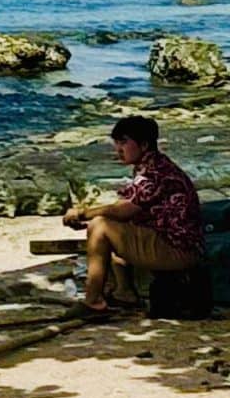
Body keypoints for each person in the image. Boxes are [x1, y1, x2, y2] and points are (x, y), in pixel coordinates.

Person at [65, 115, 206, 317]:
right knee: (105, 224)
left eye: (123, 142)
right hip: (173, 243)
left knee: (101, 226)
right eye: (116, 143)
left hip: (179, 251)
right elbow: (126, 212)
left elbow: (122, 210)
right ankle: (124, 292)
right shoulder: (152, 166)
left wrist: (82, 213)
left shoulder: (155, 173)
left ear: (144, 145)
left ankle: (93, 301)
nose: (118, 149)